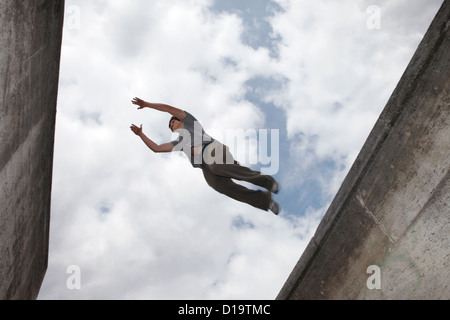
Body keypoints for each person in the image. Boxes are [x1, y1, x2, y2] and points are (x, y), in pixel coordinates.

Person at [130, 97, 281, 215]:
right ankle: (265, 201)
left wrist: (147, 104)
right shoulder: (179, 143)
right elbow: (156, 148)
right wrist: (141, 134)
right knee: (217, 185)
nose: (171, 126)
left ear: (179, 120)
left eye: (173, 122)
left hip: (213, 150)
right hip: (206, 165)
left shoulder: (190, 122)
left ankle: (268, 182)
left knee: (215, 165)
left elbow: (168, 109)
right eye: (170, 127)